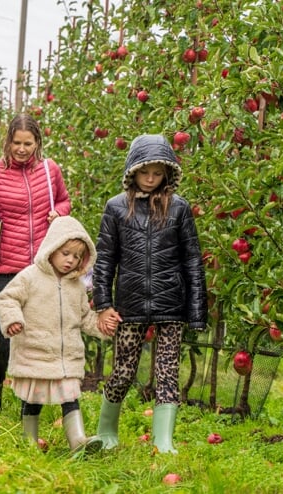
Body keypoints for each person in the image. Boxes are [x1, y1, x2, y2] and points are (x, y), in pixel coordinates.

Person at [92, 134, 208, 454]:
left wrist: (197, 311)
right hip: (129, 303)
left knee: (167, 372)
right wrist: (103, 304)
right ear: (133, 171)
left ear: (167, 173)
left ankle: (163, 440)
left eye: (158, 173)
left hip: (171, 303)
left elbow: (192, 261)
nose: (151, 179)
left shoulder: (179, 208)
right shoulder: (116, 208)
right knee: (123, 371)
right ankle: (106, 431)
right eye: (146, 173)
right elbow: (105, 259)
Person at [0, 113, 71, 413]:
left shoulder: (50, 171)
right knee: (3, 336)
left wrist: (59, 213)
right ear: (7, 140)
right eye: (16, 142)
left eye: (28, 143)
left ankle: (28, 403)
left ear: (38, 142)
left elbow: (64, 200)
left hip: (40, 267)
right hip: (4, 267)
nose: (22, 149)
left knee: (35, 336)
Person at [0, 216, 112, 453]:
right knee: (33, 399)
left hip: (66, 357)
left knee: (70, 397)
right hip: (35, 353)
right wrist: (13, 320)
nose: (70, 260)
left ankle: (77, 441)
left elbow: (84, 317)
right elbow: (7, 298)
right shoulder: (30, 276)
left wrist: (101, 325)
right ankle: (29, 440)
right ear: (52, 247)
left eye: (77, 256)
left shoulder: (76, 286)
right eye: (65, 253)